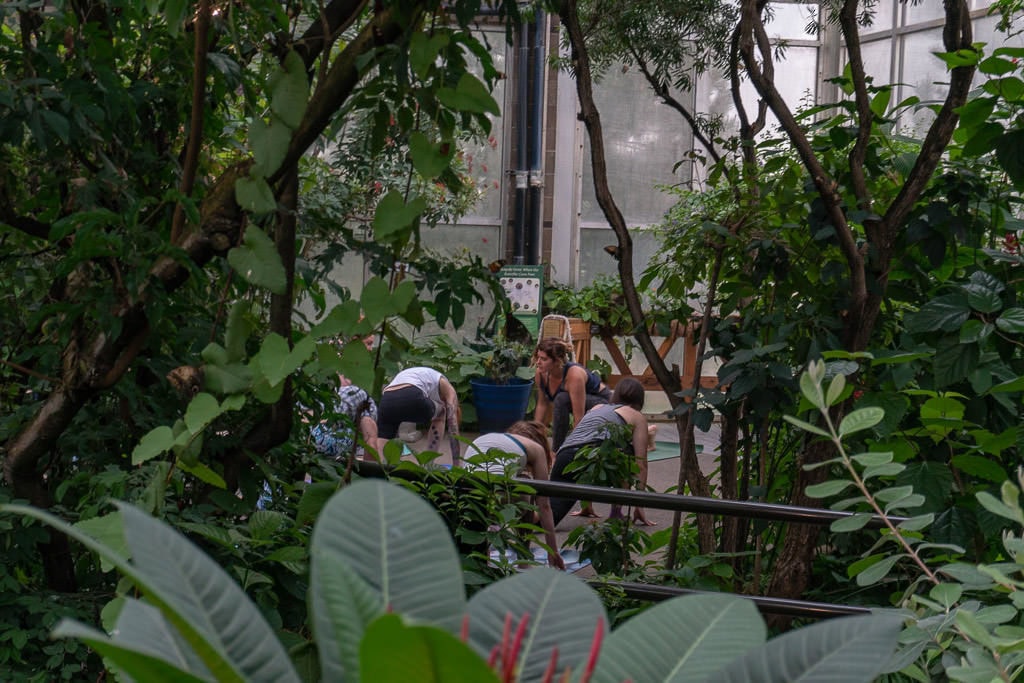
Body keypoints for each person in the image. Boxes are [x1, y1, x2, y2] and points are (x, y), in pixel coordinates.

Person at [548, 377, 652, 526]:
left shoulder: (597, 408)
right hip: (589, 457)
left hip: (564, 455)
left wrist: (585, 504)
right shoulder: (636, 416)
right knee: (626, 455)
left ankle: (517, 516)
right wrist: (639, 505)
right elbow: (640, 463)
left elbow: (581, 440)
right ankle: (616, 513)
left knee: (548, 516)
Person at [463, 420, 566, 570]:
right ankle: (523, 559)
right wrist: (553, 552)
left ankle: (481, 561)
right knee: (527, 486)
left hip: (470, 495)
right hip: (496, 494)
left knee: (484, 493)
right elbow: (544, 506)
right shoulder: (536, 448)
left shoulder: (490, 438)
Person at [532, 337, 612, 451]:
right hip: (575, 402)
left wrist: (574, 450)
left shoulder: (574, 375)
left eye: (543, 359)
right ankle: (557, 450)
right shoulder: (541, 374)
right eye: (538, 357)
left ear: (557, 361)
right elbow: (542, 404)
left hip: (602, 403)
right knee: (562, 399)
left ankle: (558, 451)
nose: (538, 362)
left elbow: (578, 418)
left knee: (561, 399)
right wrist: (534, 434)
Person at [377, 366, 461, 464]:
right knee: (442, 412)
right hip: (411, 393)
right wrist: (456, 465)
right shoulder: (448, 388)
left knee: (383, 438)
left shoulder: (425, 376)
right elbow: (453, 428)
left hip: (387, 399)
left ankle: (378, 470)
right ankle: (428, 465)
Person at [310, 375, 380, 462]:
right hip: (325, 438)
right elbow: (370, 442)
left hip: (307, 440)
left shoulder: (315, 391)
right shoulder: (359, 395)